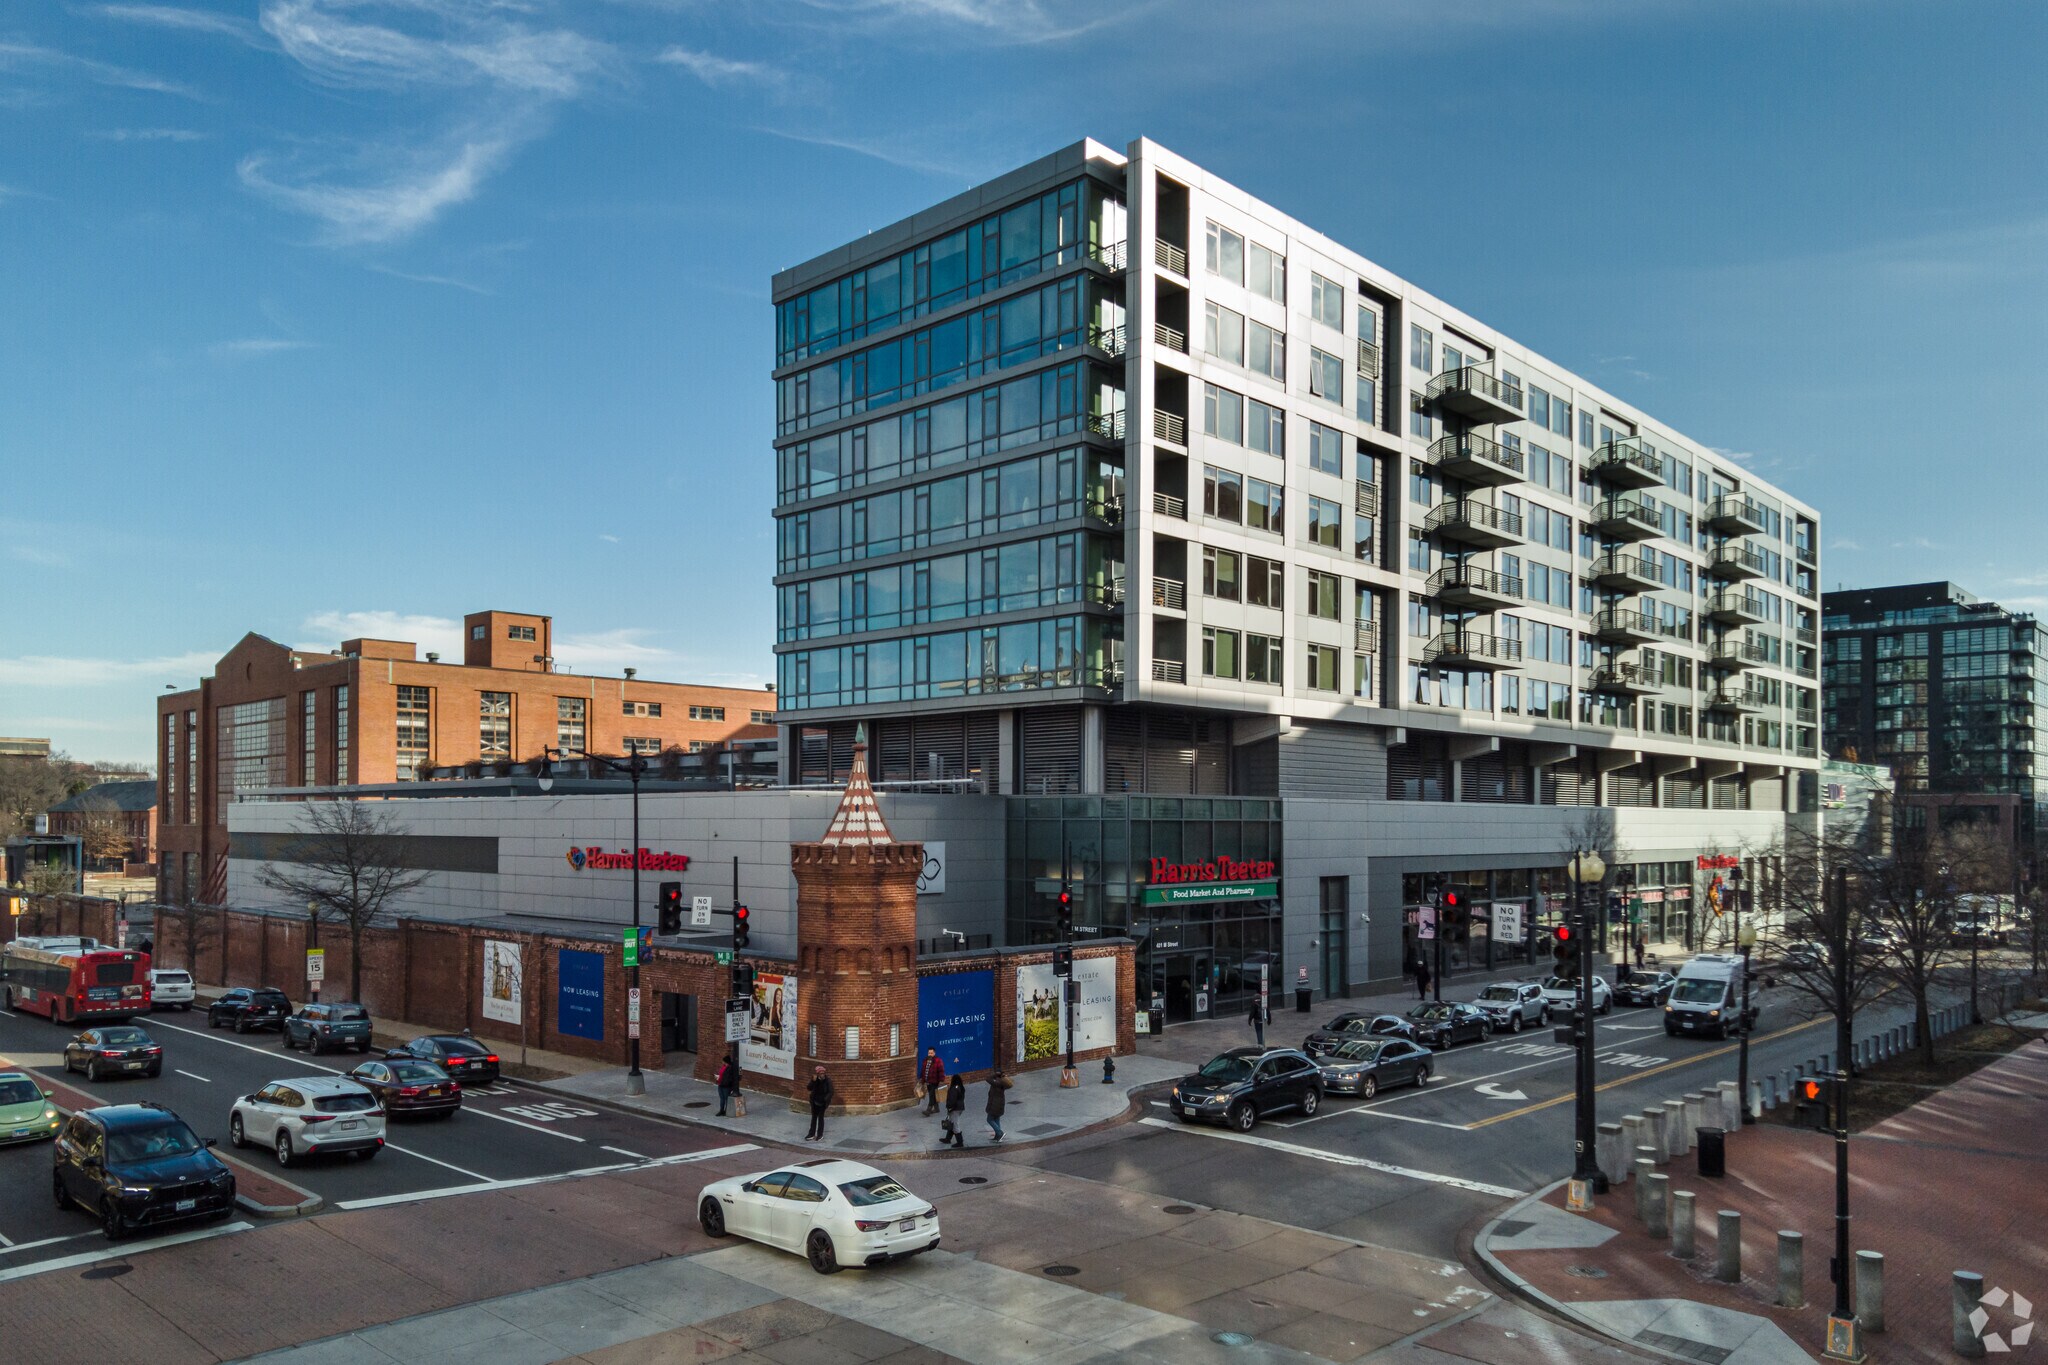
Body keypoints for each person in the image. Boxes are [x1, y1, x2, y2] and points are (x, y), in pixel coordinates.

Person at [805, 1065, 833, 1141]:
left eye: (823, 1073)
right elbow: (809, 1088)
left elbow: (830, 1092)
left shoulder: (828, 1081)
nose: (822, 1074)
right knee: (814, 1118)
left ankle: (820, 1135)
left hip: (823, 1103)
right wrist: (813, 1081)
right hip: (814, 1102)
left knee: (820, 1118)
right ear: (818, 1074)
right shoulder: (815, 1080)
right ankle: (811, 1134)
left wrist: (825, 1099)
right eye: (821, 1073)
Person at [984, 1068, 1012, 1143]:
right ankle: (998, 1136)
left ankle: (1000, 1133)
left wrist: (995, 1074)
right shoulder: (1001, 1082)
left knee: (989, 1119)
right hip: (999, 1104)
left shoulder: (997, 1082)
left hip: (995, 1105)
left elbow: (987, 1079)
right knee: (996, 1119)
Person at [939, 1073, 967, 1148]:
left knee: (955, 1124)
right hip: (959, 1108)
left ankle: (960, 1142)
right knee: (951, 1122)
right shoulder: (961, 1087)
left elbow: (952, 1100)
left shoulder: (954, 1088)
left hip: (954, 1108)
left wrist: (949, 1107)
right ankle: (948, 1139)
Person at [714, 1049, 741, 1117]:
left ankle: (726, 1110)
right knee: (722, 1098)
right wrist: (718, 1077)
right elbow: (722, 1074)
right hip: (720, 1084)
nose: (722, 1062)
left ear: (726, 1061)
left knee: (726, 1099)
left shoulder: (730, 1068)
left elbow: (731, 1077)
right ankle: (721, 1110)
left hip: (726, 1086)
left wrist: (729, 1084)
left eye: (723, 1061)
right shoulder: (724, 1067)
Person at [920, 1047, 946, 1115]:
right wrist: (922, 1080)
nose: (930, 1054)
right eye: (929, 1053)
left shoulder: (938, 1060)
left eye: (931, 1053)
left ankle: (928, 1110)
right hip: (927, 1081)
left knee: (932, 1096)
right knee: (933, 1095)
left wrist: (941, 1080)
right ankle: (936, 1108)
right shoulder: (925, 1060)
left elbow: (941, 1071)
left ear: (934, 1053)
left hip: (934, 1081)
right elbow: (923, 1071)